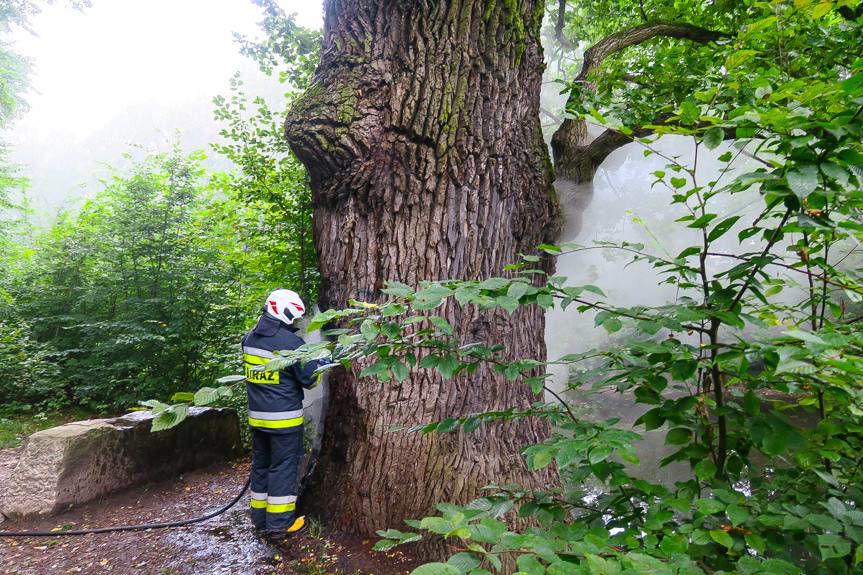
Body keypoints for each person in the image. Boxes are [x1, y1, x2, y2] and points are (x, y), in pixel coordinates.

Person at [242, 289, 321, 537]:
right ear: (285, 313)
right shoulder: (291, 344)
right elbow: (309, 380)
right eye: (294, 317)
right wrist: (319, 362)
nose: (296, 322)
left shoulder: (249, 339)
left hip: (258, 418)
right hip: (284, 422)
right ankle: (280, 524)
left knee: (261, 467)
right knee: (283, 469)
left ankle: (259, 518)